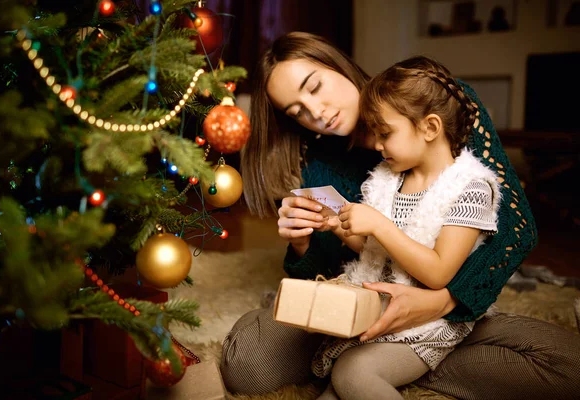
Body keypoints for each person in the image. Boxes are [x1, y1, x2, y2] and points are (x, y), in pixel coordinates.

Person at [222, 32, 580, 399]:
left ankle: (385, 365)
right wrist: (302, 244)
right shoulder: (321, 163)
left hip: (442, 305)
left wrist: (445, 301)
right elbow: (343, 269)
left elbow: (515, 231)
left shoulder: (439, 101)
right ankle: (381, 366)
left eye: (314, 86)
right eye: (296, 111)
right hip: (367, 305)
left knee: (569, 368)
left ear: (338, 65)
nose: (314, 112)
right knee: (248, 363)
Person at [311, 56, 502, 400]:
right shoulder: (387, 180)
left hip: (429, 325)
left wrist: (381, 226)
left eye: (385, 133)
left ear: (430, 128)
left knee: (353, 372)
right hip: (378, 311)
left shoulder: (470, 187)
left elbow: (439, 272)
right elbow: (373, 250)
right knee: (334, 390)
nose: (378, 146)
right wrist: (338, 226)